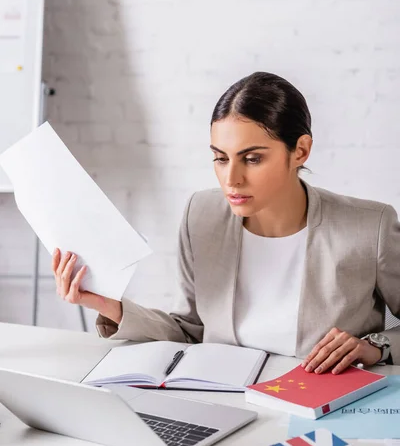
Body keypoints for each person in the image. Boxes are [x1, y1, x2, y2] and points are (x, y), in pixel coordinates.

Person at [52, 72, 400, 374]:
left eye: (252, 158)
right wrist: (106, 304)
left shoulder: (371, 227)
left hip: (320, 410)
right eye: (220, 158)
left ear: (301, 151)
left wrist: (375, 347)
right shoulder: (202, 214)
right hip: (225, 400)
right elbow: (189, 329)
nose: (231, 178)